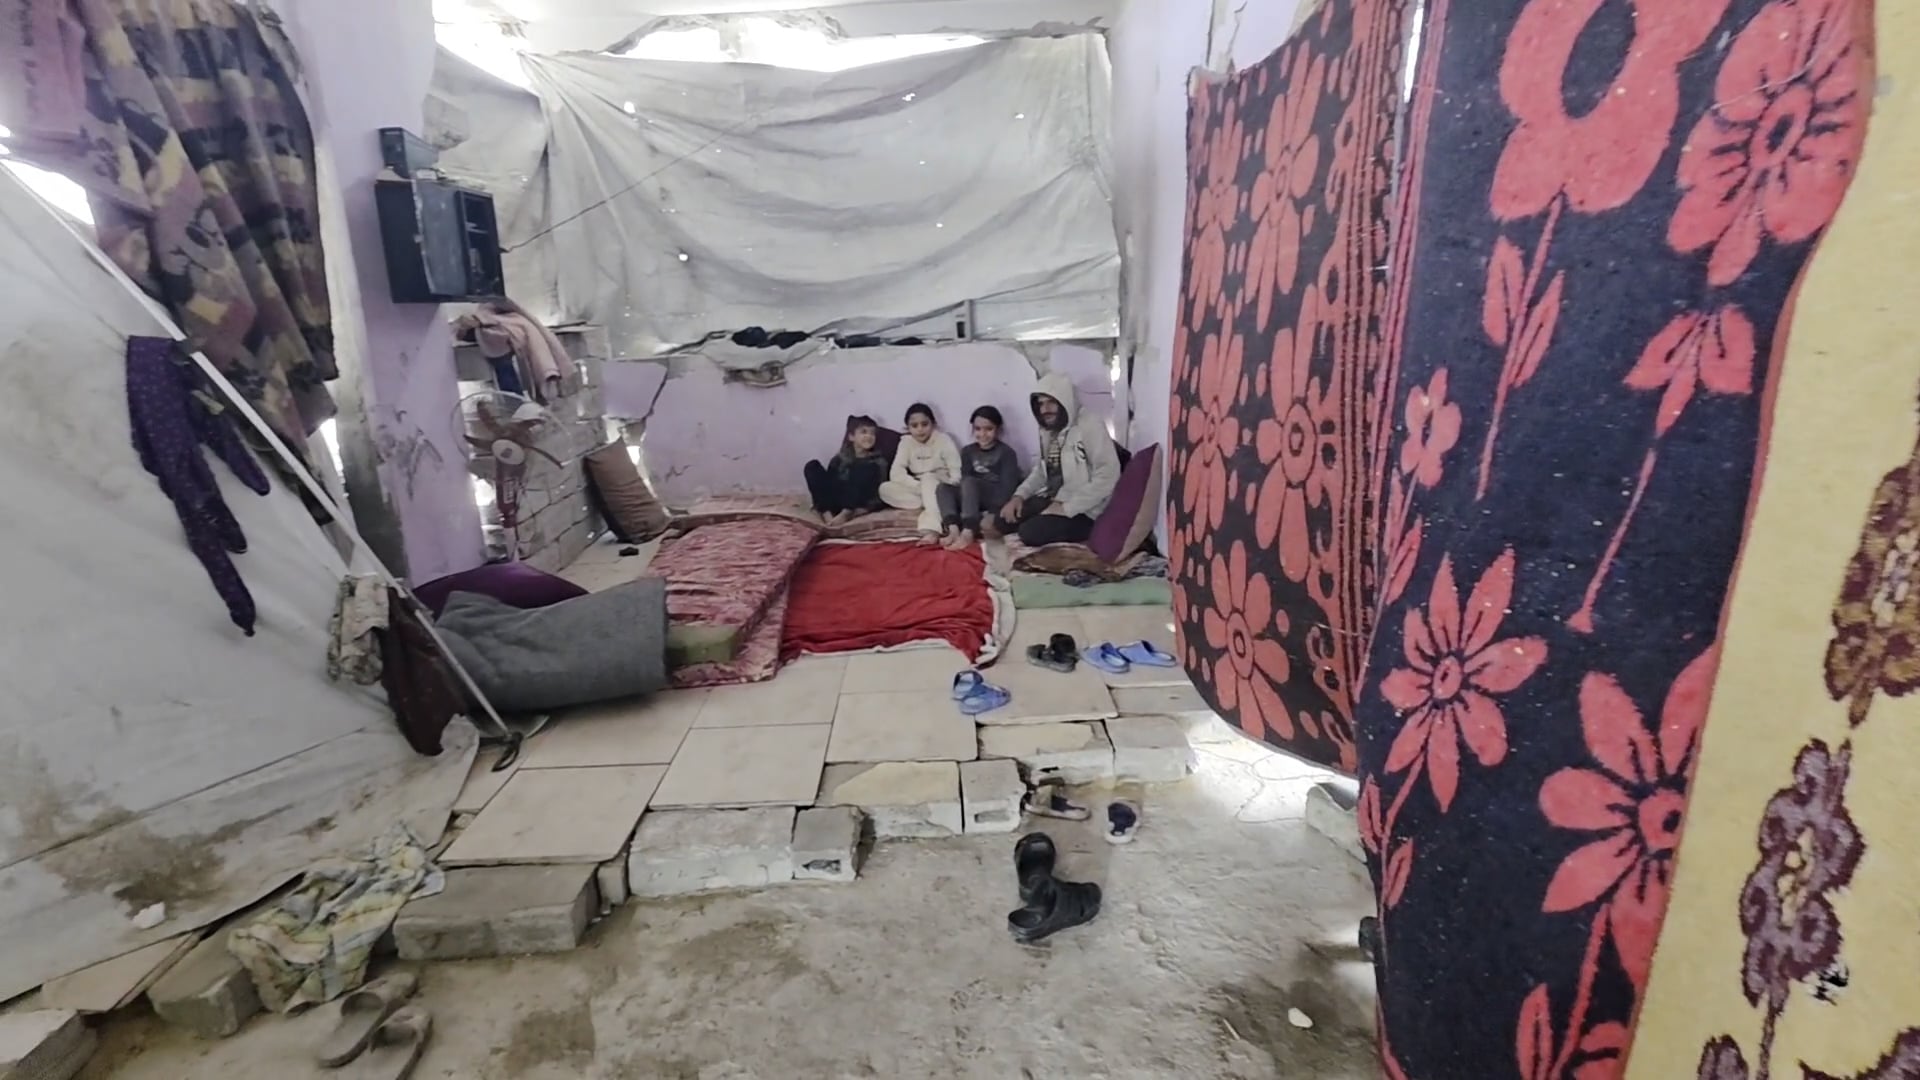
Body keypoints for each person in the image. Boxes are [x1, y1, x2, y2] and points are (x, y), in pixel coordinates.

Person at [991, 373, 1120, 547]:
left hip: (1086, 510)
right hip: (1055, 498)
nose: (1045, 409)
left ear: (1064, 401)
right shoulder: (1049, 431)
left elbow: (1108, 475)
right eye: (1041, 404)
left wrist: (1067, 508)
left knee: (1029, 533)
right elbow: (1041, 471)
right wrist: (1018, 496)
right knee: (1002, 520)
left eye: (1051, 402)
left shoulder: (1090, 425)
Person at [935, 406, 1022, 549]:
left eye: (989, 429)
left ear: (998, 430)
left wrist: (994, 512)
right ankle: (953, 530)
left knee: (969, 482)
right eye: (978, 429)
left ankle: (969, 531)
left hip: (994, 495)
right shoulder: (968, 451)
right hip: (971, 496)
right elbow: (964, 480)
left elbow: (1008, 487)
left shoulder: (1006, 452)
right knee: (943, 488)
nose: (983, 434)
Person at [879, 403, 963, 536]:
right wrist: (918, 485)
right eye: (914, 426)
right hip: (918, 486)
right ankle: (931, 504)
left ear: (933, 424)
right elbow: (896, 472)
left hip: (941, 484)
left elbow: (955, 468)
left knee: (929, 478)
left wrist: (951, 489)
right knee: (884, 488)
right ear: (908, 428)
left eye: (924, 424)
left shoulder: (943, 439)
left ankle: (932, 528)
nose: (920, 429)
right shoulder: (906, 442)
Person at [802, 415, 889, 525]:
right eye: (864, 432)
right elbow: (828, 483)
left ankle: (845, 514)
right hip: (837, 498)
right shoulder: (840, 458)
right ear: (851, 437)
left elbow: (879, 492)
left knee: (862, 469)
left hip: (856, 503)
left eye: (872, 433)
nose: (869, 436)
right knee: (812, 466)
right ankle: (827, 514)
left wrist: (864, 509)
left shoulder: (878, 462)